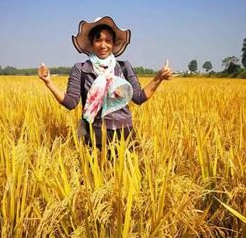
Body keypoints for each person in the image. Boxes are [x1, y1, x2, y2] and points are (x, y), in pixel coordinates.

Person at [38, 16, 173, 149]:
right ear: (91, 43)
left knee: (126, 171)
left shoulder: (124, 67)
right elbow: (70, 103)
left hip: (124, 133)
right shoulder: (81, 69)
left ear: (114, 44)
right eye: (98, 40)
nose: (103, 45)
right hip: (94, 133)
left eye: (108, 41)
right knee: (94, 171)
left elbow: (138, 97)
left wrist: (159, 77)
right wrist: (49, 82)